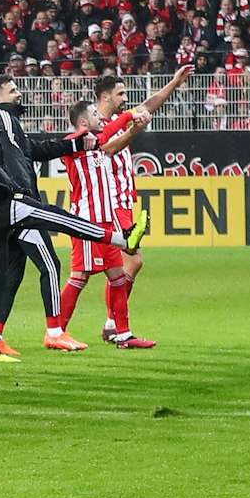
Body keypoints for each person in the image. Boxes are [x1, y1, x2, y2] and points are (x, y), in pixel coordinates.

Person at [0, 68, 146, 361]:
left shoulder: (2, 120)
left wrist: (76, 143)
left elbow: (33, 150)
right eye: (8, 89)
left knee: (3, 276)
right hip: (3, 203)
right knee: (56, 230)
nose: (17, 93)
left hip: (6, 202)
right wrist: (3, 187)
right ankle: (56, 329)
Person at [82, 66, 191, 346]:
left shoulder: (119, 118)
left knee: (116, 266)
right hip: (110, 203)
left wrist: (174, 82)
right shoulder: (94, 126)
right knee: (129, 262)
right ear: (105, 97)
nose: (125, 99)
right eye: (120, 94)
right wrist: (133, 132)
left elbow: (149, 104)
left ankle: (107, 325)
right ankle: (112, 326)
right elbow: (107, 148)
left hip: (123, 202)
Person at [56, 98, 148, 352]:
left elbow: (110, 129)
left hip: (105, 221)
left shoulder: (96, 141)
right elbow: (102, 134)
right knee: (80, 276)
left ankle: (124, 334)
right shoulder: (73, 143)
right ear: (84, 122)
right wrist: (129, 117)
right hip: (87, 221)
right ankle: (57, 331)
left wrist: (129, 115)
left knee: (118, 275)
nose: (100, 117)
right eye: (95, 114)